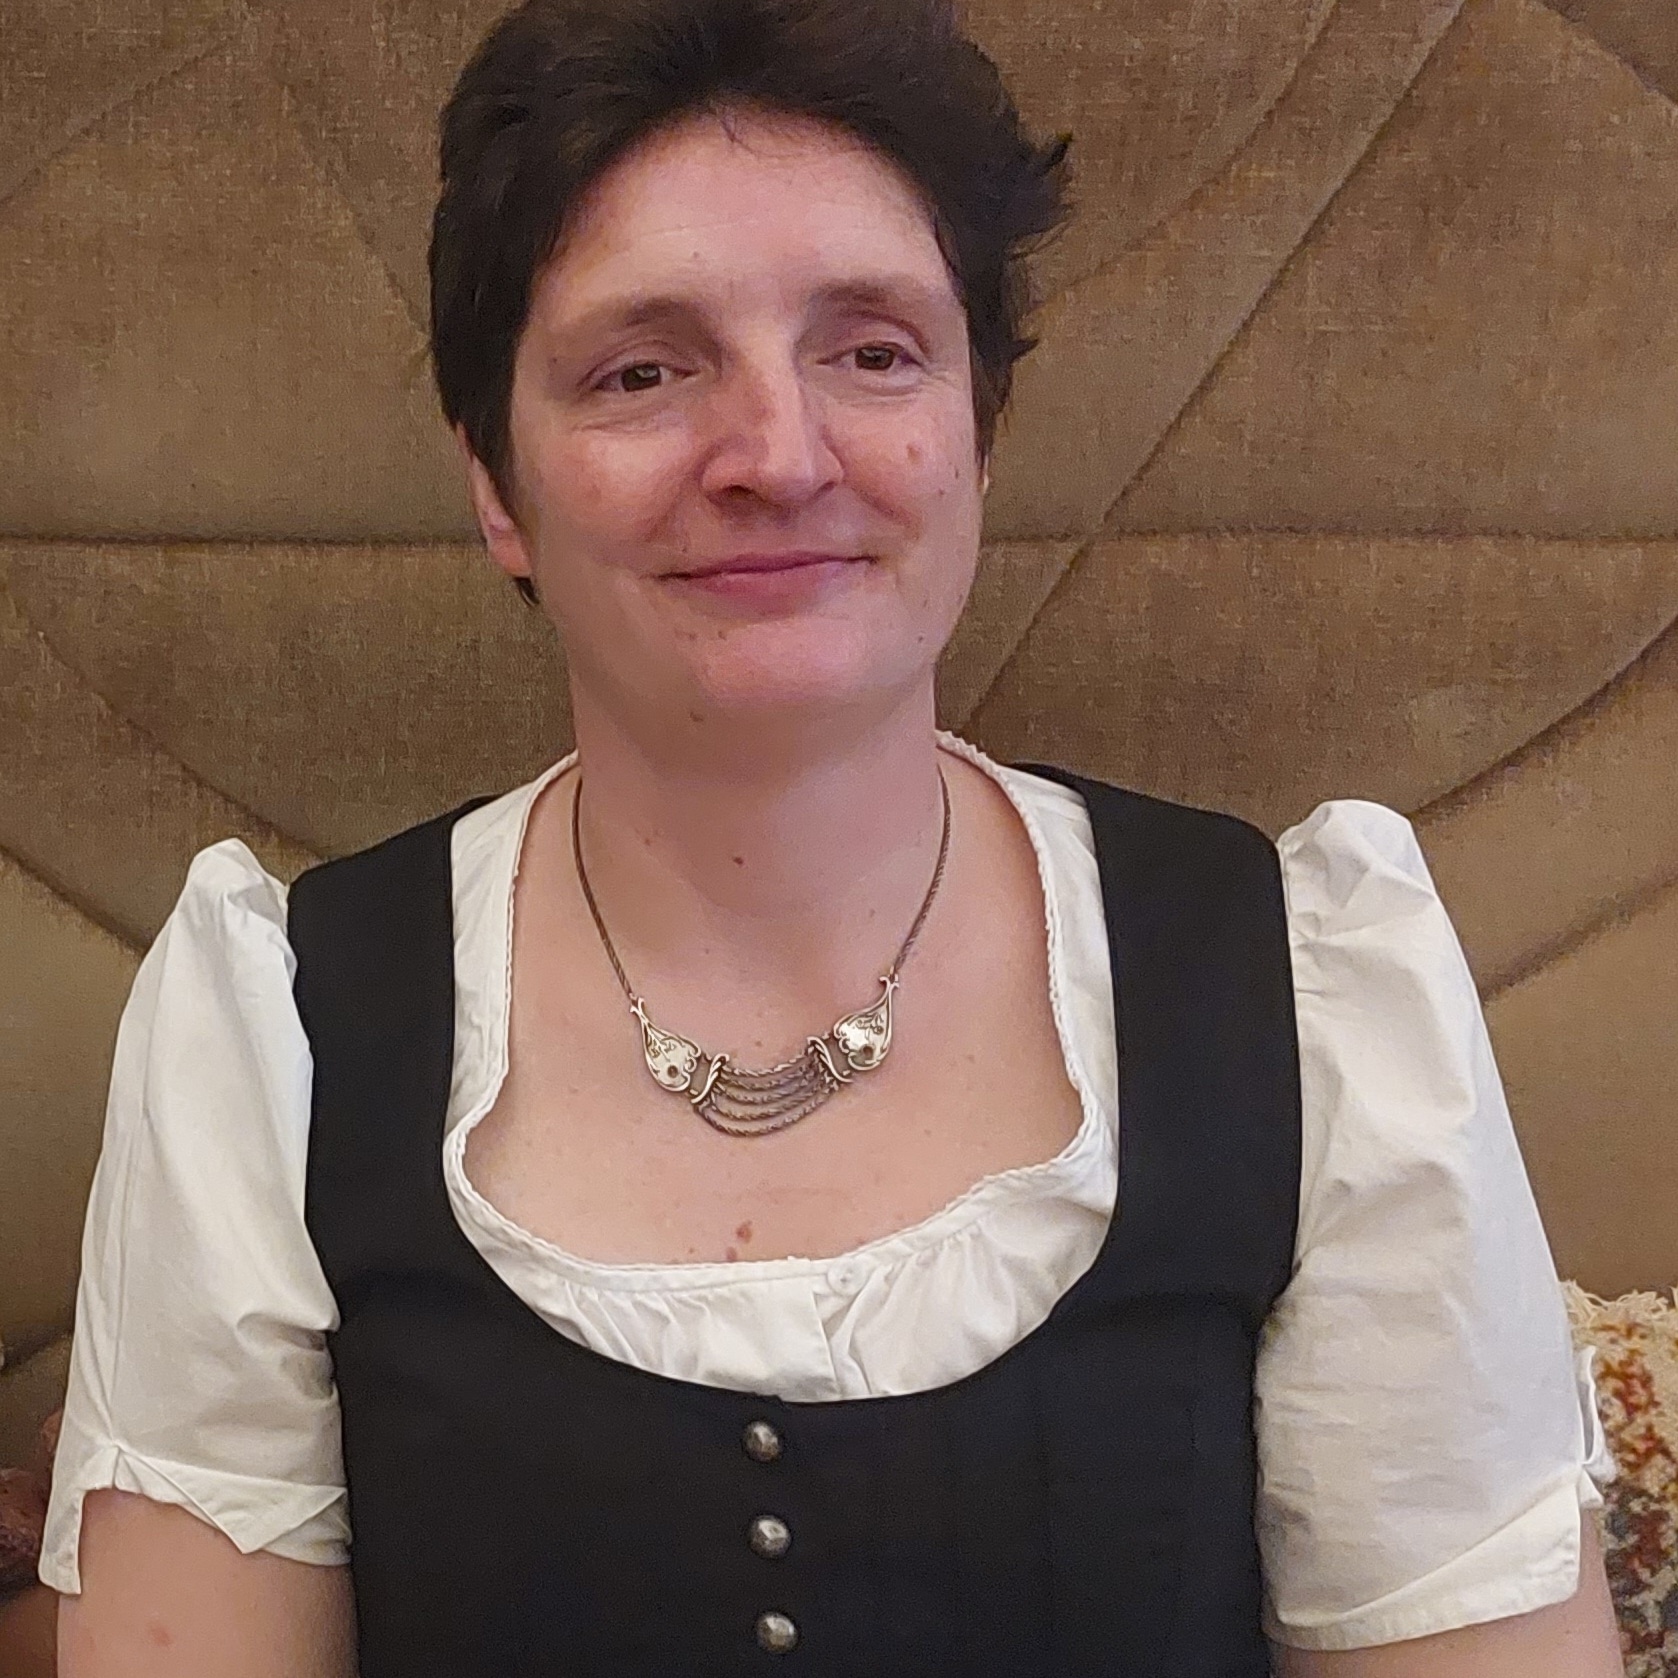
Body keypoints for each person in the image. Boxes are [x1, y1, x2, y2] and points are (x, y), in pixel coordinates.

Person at [42, 0, 1624, 1671]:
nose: (777, 457)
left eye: (870, 351)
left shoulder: (1306, 990)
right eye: (642, 370)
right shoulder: (275, 1029)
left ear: (978, 432)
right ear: (497, 485)